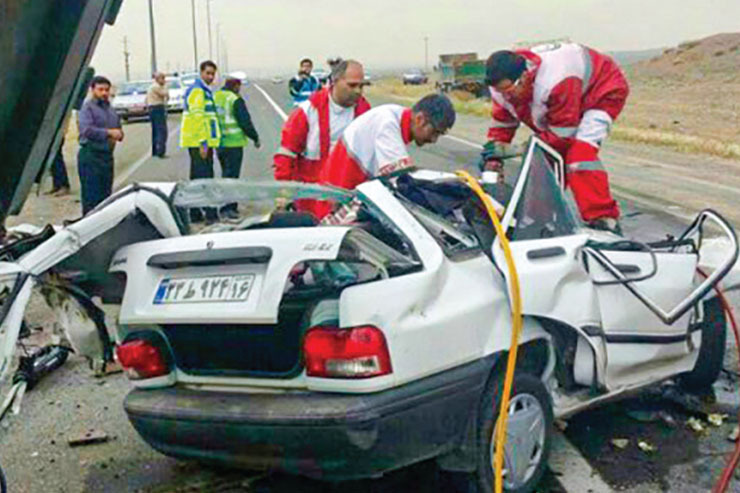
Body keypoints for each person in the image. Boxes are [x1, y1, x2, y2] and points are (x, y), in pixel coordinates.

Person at [482, 43, 629, 233]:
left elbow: (562, 135)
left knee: (579, 156)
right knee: (543, 160)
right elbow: (503, 123)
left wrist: (519, 149)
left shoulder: (556, 79)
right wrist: (493, 156)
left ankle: (603, 218)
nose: (506, 97)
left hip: (600, 91)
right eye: (500, 92)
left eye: (509, 91)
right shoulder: (502, 88)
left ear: (525, 77)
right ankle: (540, 219)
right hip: (565, 98)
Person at [318, 94, 455, 223]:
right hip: (334, 203)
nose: (434, 139)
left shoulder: (396, 115)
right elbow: (402, 183)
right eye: (435, 132)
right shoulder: (387, 124)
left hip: (345, 193)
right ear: (420, 119)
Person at [274, 59, 370, 215]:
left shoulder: (365, 113)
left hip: (349, 201)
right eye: (352, 85)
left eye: (361, 86)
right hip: (311, 201)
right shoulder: (309, 111)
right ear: (335, 82)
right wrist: (284, 193)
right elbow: (286, 154)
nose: (358, 91)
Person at [179, 60, 221, 223]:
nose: (210, 76)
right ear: (201, 73)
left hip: (199, 141)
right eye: (208, 73)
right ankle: (209, 213)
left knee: (197, 177)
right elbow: (198, 118)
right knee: (205, 178)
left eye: (212, 73)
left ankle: (196, 212)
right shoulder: (198, 92)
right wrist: (203, 142)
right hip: (199, 142)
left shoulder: (204, 90)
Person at [213, 77, 261, 218]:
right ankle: (229, 208)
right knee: (232, 177)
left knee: (225, 175)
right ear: (235, 86)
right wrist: (255, 137)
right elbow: (245, 121)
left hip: (219, 143)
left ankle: (223, 205)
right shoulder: (235, 99)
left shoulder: (216, 97)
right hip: (234, 143)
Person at [77, 75, 123, 215]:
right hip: (91, 157)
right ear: (92, 90)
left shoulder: (110, 108)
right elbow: (86, 130)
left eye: (106, 90)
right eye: (100, 89)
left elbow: (117, 127)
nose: (104, 93)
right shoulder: (87, 108)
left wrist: (119, 134)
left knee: (106, 198)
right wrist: (109, 133)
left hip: (107, 157)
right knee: (92, 199)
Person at [147, 72, 169, 158]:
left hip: (152, 108)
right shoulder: (156, 87)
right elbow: (165, 94)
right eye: (162, 78)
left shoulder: (152, 87)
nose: (164, 81)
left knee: (155, 130)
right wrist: (165, 87)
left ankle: (155, 150)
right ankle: (160, 151)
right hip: (157, 108)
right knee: (161, 130)